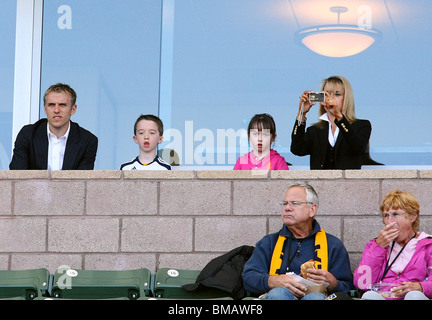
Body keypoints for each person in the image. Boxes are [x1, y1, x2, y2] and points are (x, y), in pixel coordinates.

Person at [242, 182, 354, 299]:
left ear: (312, 209)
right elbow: (248, 278)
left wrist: (333, 283)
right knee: (278, 293)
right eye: (285, 203)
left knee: (315, 297)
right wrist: (273, 281)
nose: (287, 208)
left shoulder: (333, 245)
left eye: (295, 203)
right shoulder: (269, 242)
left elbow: (349, 288)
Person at [354, 190, 432, 300]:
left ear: (412, 217)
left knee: (414, 296)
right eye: (386, 215)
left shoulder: (428, 245)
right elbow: (362, 283)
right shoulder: (374, 245)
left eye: (395, 214)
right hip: (383, 297)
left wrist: (420, 287)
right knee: (369, 296)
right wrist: (378, 247)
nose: (390, 221)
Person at [9, 83, 98, 170]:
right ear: (45, 109)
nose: (56, 110)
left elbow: (82, 182)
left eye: (62, 105)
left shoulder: (87, 141)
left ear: (73, 109)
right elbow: (17, 176)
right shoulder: (28, 134)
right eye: (51, 105)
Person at [291, 75, 371, 169]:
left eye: (337, 94)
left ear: (346, 98)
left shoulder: (361, 126)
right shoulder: (314, 130)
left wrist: (339, 117)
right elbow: (297, 149)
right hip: (319, 183)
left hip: (348, 183)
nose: (331, 98)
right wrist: (302, 114)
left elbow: (357, 148)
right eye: (326, 94)